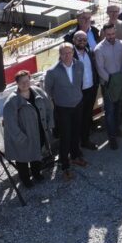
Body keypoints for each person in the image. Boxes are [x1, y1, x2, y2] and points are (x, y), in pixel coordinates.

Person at [2, 70, 53, 188]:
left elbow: (49, 107)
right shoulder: (12, 101)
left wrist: (50, 123)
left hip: (38, 131)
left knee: (37, 153)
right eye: (21, 82)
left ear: (30, 80)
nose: (25, 84)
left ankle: (36, 173)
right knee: (22, 159)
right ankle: (25, 179)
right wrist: (21, 138)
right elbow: (10, 123)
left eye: (26, 80)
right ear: (17, 83)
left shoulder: (38, 92)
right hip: (23, 136)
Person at [44, 43, 87, 180]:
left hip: (77, 104)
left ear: (73, 53)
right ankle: (65, 165)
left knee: (76, 132)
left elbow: (79, 83)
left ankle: (75, 156)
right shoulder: (52, 72)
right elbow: (48, 91)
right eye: (64, 53)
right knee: (65, 136)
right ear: (60, 55)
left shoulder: (79, 65)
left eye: (69, 52)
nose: (67, 56)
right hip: (63, 108)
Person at [94, 23, 122, 149]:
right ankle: (112, 137)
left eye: (113, 34)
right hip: (108, 84)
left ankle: (117, 129)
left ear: (115, 31)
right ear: (104, 34)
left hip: (120, 81)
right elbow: (100, 68)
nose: (111, 36)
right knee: (109, 111)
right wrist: (112, 80)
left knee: (119, 107)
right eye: (108, 35)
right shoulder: (99, 49)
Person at [71, 30, 99, 151]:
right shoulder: (70, 55)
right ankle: (75, 145)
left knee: (87, 116)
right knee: (77, 119)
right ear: (74, 41)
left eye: (84, 39)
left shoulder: (90, 52)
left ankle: (85, 140)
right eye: (79, 39)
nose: (82, 42)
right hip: (78, 92)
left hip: (91, 89)